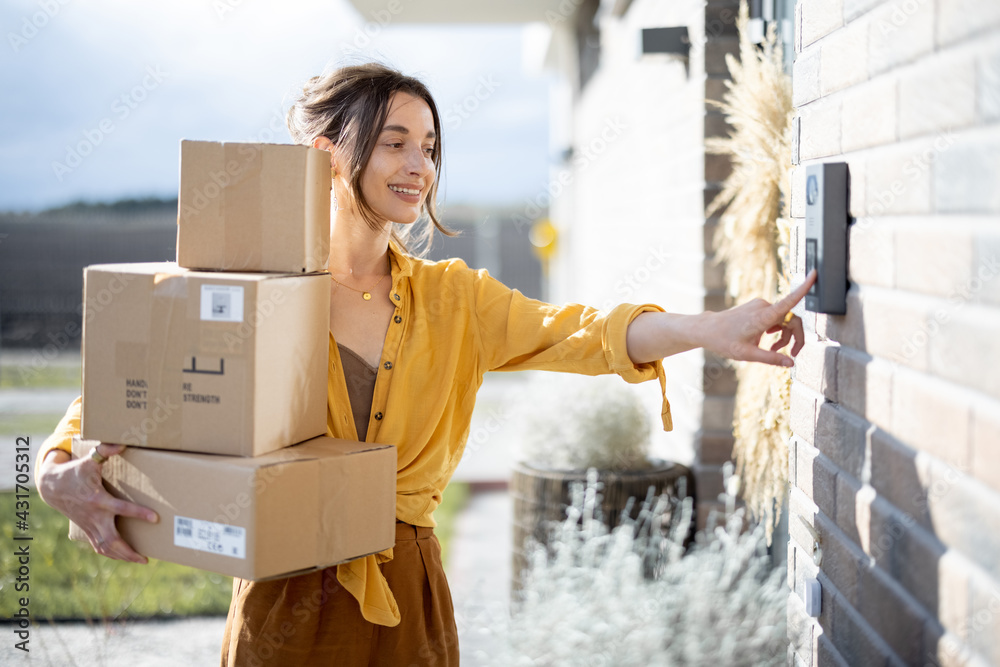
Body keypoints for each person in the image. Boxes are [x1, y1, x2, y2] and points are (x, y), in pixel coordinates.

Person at [36, 62, 816, 666]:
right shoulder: (241, 288)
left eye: (431, 147)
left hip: (406, 601)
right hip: (281, 605)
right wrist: (52, 472)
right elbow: (112, 395)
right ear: (329, 153)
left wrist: (714, 327)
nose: (420, 165)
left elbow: (581, 332)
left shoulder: (453, 299)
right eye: (395, 141)